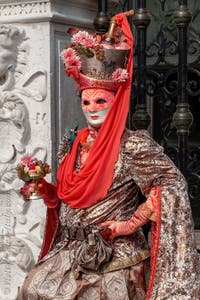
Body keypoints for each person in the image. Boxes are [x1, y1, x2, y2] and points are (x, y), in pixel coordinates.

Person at [18, 12, 200, 300]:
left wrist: (130, 224)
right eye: (86, 101)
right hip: (70, 250)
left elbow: (170, 185)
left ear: (115, 103)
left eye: (100, 100)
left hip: (115, 250)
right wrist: (45, 191)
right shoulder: (73, 142)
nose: (92, 108)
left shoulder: (133, 146)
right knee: (33, 287)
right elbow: (68, 197)